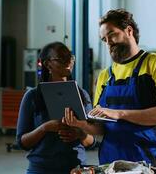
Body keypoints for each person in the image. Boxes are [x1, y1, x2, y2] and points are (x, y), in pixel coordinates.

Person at [63, 9, 156, 174]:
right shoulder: (104, 76)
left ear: (129, 30)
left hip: (144, 162)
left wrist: (118, 114)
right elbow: (101, 128)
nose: (108, 42)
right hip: (109, 163)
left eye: (112, 35)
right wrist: (80, 125)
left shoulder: (155, 64)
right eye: (104, 39)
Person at [16, 42, 96, 174]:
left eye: (70, 57)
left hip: (76, 168)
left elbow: (91, 141)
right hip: (41, 168)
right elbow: (22, 142)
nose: (68, 62)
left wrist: (79, 133)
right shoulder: (33, 97)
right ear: (48, 64)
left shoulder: (82, 95)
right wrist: (44, 128)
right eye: (61, 58)